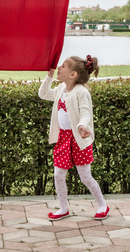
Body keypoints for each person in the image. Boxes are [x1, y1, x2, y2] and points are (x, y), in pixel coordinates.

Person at [38, 55, 109, 221]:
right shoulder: (61, 89)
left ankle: (102, 205)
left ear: (73, 75)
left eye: (63, 66)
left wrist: (83, 126)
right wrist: (49, 76)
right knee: (58, 175)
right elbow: (43, 94)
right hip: (63, 138)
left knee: (85, 177)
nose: (59, 68)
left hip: (79, 139)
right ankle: (63, 208)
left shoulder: (81, 92)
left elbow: (85, 112)